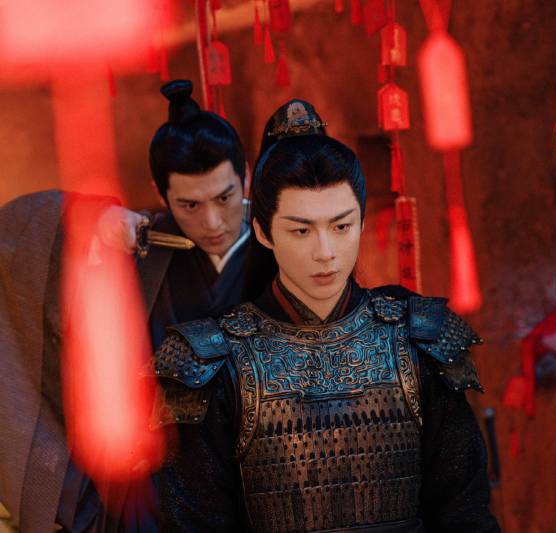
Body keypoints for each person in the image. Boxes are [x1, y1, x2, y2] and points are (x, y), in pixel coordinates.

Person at [152, 101, 500, 532]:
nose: (326, 252)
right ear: (263, 232)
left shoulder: (419, 337)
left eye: (341, 226)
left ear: (361, 222)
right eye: (301, 230)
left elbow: (464, 511)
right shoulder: (212, 360)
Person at [0, 79, 257, 532]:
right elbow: (13, 234)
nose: (212, 221)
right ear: (161, 195)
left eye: (225, 197)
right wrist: (90, 216)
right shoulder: (144, 246)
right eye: (189, 205)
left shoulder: (278, 242)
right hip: (157, 488)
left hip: (256, 478)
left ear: (246, 177)